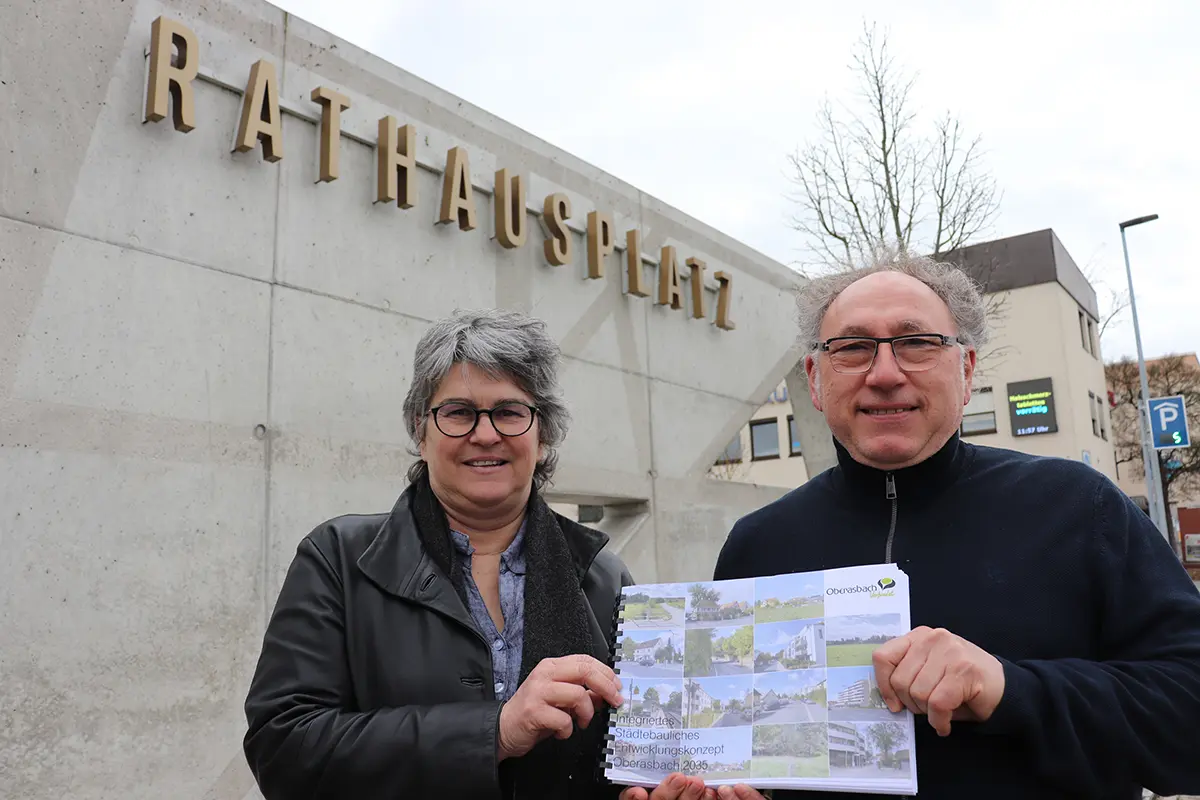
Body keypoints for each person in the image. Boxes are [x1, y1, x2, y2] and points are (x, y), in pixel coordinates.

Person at [701, 253, 1200, 800]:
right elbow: (736, 743)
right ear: (816, 381)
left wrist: (1009, 689)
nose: (885, 374)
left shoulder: (1081, 508)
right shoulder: (757, 545)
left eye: (916, 343)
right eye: (852, 347)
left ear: (966, 372)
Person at [243, 309, 634, 799]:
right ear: (420, 429)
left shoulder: (604, 578)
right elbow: (283, 750)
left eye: (510, 411)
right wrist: (493, 733)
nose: (486, 434)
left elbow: (624, 758)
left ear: (543, 432)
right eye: (458, 412)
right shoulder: (339, 561)